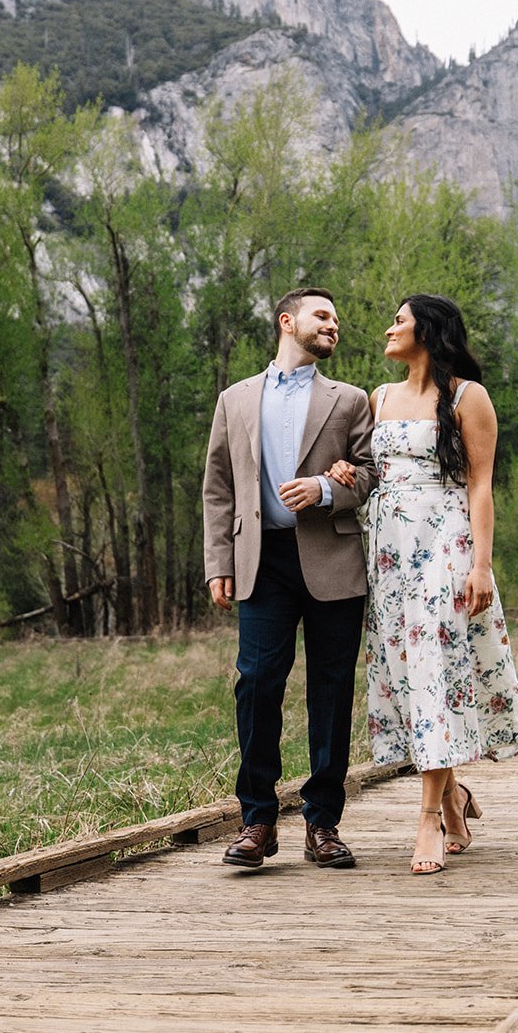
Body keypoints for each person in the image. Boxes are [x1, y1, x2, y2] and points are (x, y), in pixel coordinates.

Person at [329, 294, 518, 875]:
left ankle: (425, 819)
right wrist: (346, 471)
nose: (389, 329)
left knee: (433, 667)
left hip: (445, 544)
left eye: (400, 319)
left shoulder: (470, 396)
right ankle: (453, 797)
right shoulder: (379, 398)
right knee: (406, 675)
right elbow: (371, 475)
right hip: (387, 550)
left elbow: (481, 485)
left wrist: (481, 566)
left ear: (429, 330)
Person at [203, 288, 376, 870]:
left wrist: (326, 490)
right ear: (288, 321)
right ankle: (257, 820)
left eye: (336, 318)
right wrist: (218, 564)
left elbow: (373, 474)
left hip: (333, 559)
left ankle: (323, 823)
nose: (334, 325)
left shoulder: (350, 400)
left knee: (330, 691)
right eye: (323, 315)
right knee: (255, 685)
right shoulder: (235, 399)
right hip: (262, 563)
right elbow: (219, 488)